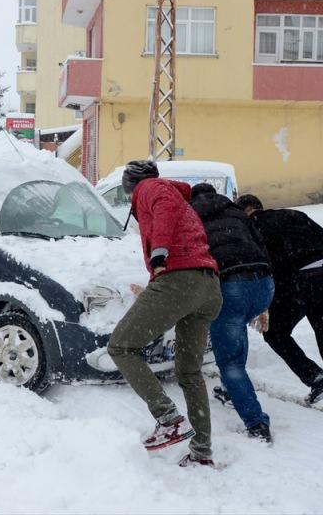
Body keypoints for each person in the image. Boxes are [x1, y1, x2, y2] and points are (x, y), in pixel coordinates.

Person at [107, 160, 222, 468]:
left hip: (179, 280)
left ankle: (168, 418)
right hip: (208, 286)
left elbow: (164, 208)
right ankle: (202, 451)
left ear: (130, 183)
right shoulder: (177, 196)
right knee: (189, 372)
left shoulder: (152, 187)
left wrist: (160, 251)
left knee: (120, 346)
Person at [236, 194, 323, 427]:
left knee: (275, 333)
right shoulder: (295, 215)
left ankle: (316, 378)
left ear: (245, 212)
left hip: (297, 287)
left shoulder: (253, 227)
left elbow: (263, 266)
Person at [189, 183, 274, 443]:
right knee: (236, 330)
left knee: (231, 363)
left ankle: (256, 424)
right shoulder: (236, 212)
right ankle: (230, 391)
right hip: (264, 282)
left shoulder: (191, 215)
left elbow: (192, 256)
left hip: (230, 285)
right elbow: (261, 244)